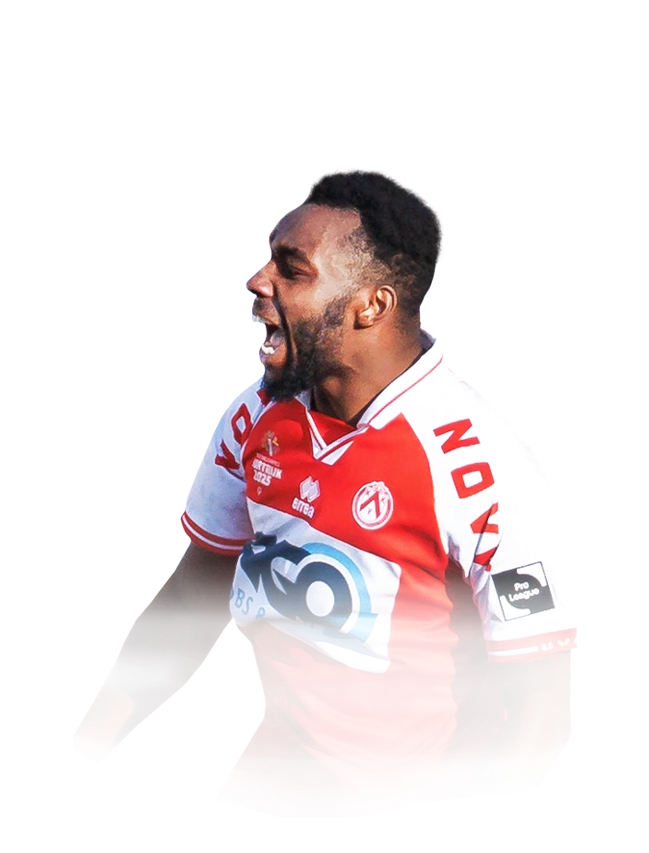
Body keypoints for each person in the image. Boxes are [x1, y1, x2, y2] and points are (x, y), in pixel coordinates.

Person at [72, 168, 576, 815]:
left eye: (292, 270)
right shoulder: (257, 413)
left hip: (414, 798)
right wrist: (81, 757)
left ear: (371, 305)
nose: (259, 282)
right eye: (267, 261)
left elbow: (543, 705)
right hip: (273, 789)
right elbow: (192, 606)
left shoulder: (482, 464)